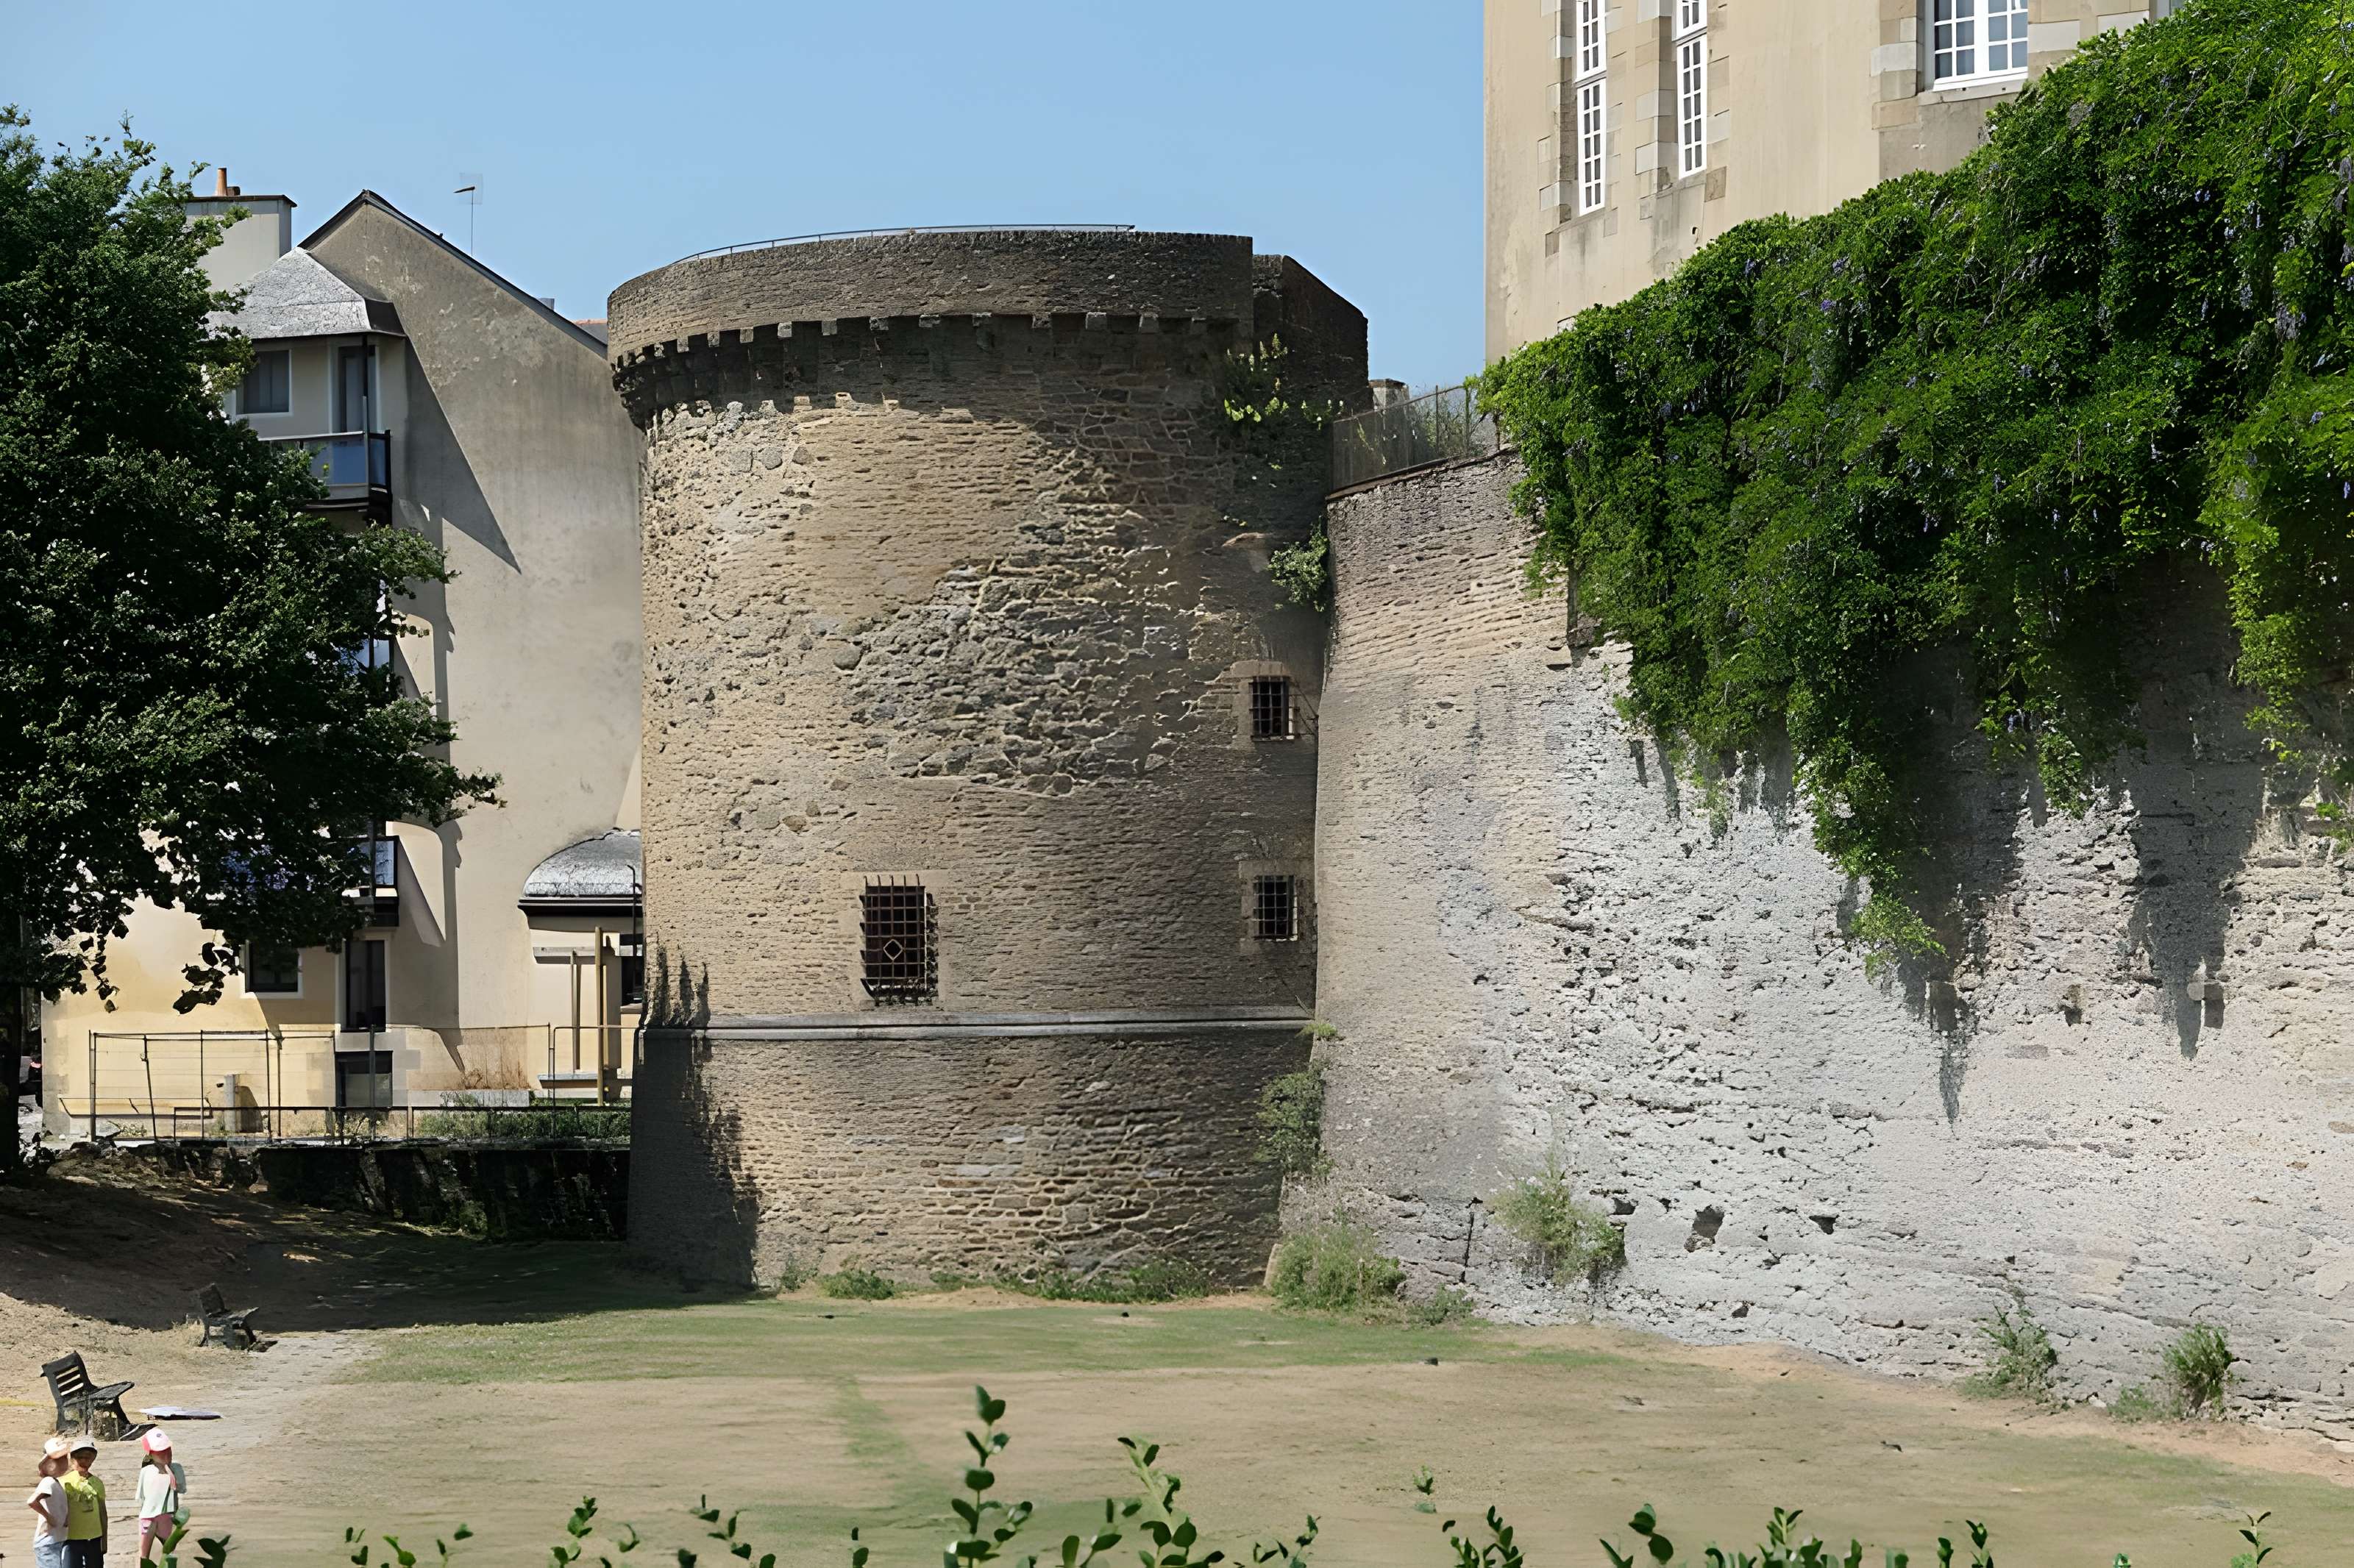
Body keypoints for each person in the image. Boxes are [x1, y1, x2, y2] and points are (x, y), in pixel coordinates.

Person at [129, 1433, 182, 1564]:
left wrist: (170, 1472)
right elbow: (142, 1497)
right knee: (143, 1552)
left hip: (167, 1516)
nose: (166, 1455)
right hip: (148, 1516)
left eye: (168, 1450)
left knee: (170, 1551)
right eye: (161, 1452)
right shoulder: (146, 1471)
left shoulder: (176, 1469)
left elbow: (178, 1490)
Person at [59, 1434, 104, 1568]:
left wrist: (104, 1541)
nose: (84, 1461)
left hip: (94, 1538)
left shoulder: (97, 1483)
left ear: (93, 1459)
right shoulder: (63, 1482)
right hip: (71, 1538)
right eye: (80, 1457)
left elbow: (103, 1512)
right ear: (72, 1459)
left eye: (88, 1457)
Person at [27, 1438, 70, 1568]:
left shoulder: (56, 1483)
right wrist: (49, 1518)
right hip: (47, 1541)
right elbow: (32, 1501)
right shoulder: (48, 1482)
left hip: (56, 1538)